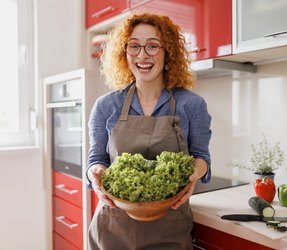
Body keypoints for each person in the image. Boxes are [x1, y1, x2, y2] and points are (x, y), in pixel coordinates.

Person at [86, 12, 212, 250]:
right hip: (113, 228)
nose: (142, 55)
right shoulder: (106, 106)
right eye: (134, 46)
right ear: (124, 53)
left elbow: (201, 158)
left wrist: (195, 173)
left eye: (153, 46)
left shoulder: (192, 105)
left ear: (168, 52)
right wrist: (95, 173)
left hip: (170, 226)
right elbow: (96, 160)